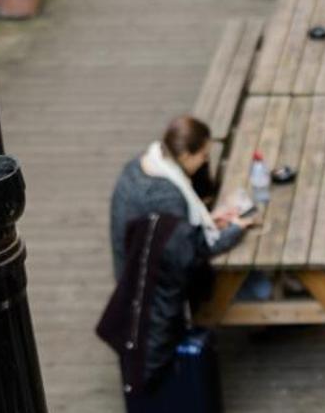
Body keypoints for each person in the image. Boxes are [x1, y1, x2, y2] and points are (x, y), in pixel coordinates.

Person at [105, 115, 252, 381]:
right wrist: (235, 230)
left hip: (129, 272)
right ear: (185, 154)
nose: (206, 161)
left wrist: (210, 220)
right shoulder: (168, 196)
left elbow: (175, 232)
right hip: (151, 292)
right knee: (244, 284)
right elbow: (192, 252)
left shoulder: (138, 167)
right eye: (203, 155)